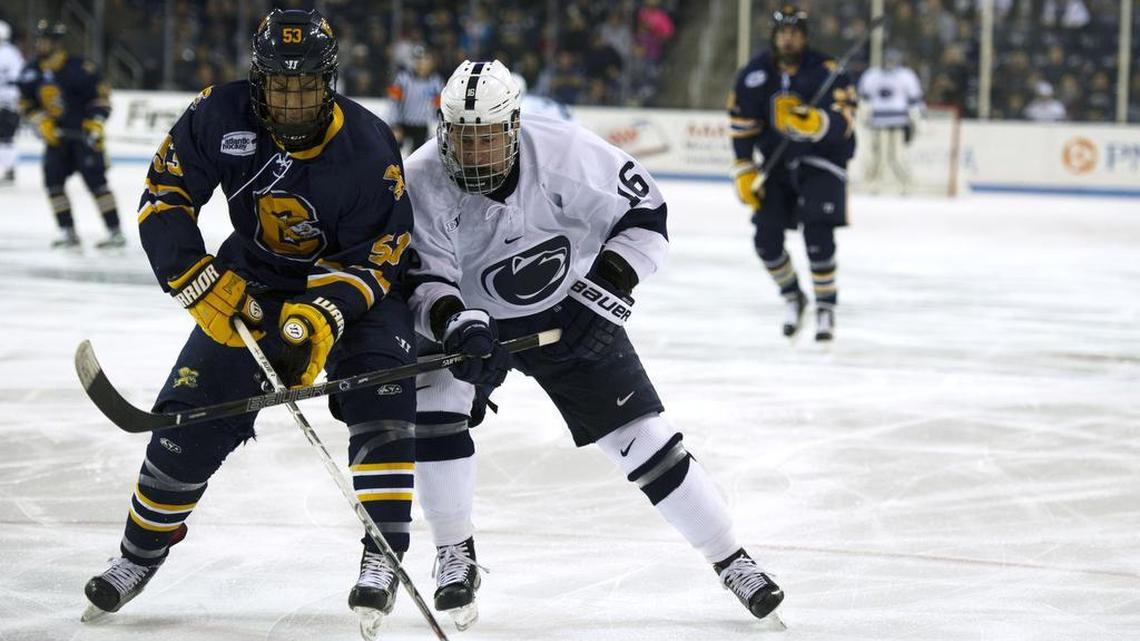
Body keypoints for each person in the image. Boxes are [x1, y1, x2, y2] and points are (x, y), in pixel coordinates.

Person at [403, 59, 784, 631]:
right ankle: (454, 552)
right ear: (443, 128)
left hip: (566, 306)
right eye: (462, 136)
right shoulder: (421, 176)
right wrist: (457, 323)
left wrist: (601, 293)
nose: (474, 151)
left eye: (487, 137)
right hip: (471, 318)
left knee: (646, 441)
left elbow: (648, 215)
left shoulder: (566, 153)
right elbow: (422, 277)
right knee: (433, 417)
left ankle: (732, 558)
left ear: (513, 127)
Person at [80, 10, 418, 635]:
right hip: (255, 281)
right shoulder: (218, 113)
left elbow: (380, 254)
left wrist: (325, 316)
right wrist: (195, 277)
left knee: (382, 394)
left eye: (307, 86)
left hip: (353, 292)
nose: (293, 102)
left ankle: (382, 555)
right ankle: (138, 555)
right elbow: (165, 194)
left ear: (330, 82)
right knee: (186, 419)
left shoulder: (369, 147)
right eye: (281, 86)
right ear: (259, 82)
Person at [728, 4, 857, 341]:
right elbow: (742, 128)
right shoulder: (753, 74)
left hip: (821, 161)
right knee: (766, 241)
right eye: (783, 33)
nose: (788, 39)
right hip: (776, 166)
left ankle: (825, 307)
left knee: (818, 233)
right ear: (774, 37)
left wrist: (819, 122)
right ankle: (793, 296)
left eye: (795, 34)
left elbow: (846, 122)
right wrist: (744, 169)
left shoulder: (827, 70)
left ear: (805, 37)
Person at [15, 20, 123, 248]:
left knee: (97, 184)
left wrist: (95, 123)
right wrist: (41, 122)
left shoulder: (80, 68)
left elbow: (101, 99)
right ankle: (67, 231)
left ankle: (115, 231)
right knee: (53, 183)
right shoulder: (30, 71)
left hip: (83, 137)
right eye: (39, 39)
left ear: (56, 43)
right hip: (57, 140)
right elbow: (26, 104)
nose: (40, 44)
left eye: (45, 40)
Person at [857, 47, 924, 191]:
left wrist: (916, 121)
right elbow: (864, 99)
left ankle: (907, 183)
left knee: (896, 156)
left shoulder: (906, 75)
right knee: (878, 155)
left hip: (897, 121)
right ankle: (873, 183)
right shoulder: (873, 75)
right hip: (878, 122)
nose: (890, 63)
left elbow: (914, 101)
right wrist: (863, 117)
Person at [387, 46, 442, 156]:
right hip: (402, 124)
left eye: (426, 60)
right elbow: (393, 102)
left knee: (417, 158)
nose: (422, 63)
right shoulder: (402, 78)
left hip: (422, 127)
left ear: (431, 62)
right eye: (419, 60)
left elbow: (440, 106)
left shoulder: (436, 82)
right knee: (392, 155)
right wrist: (395, 125)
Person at [0, 20, 23, 186]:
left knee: (6, 137)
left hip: (7, 102)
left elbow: (16, 81)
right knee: (6, 138)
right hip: (10, 102)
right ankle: (9, 169)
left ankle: (9, 169)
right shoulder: (13, 53)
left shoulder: (7, 54)